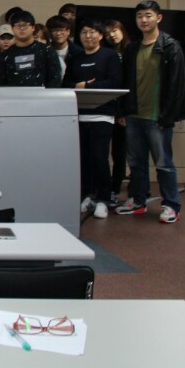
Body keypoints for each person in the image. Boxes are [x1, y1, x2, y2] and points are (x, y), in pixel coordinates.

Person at [116, 0, 185, 224]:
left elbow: (177, 85)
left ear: (158, 18)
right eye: (140, 16)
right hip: (134, 115)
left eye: (148, 15)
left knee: (164, 164)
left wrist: (169, 116)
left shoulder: (171, 46)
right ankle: (138, 201)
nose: (144, 20)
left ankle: (171, 205)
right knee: (136, 163)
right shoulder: (132, 48)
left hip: (159, 117)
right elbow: (125, 83)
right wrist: (123, 112)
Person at [63, 19, 123, 219]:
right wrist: (78, 85)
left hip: (102, 115)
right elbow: (65, 83)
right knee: (83, 159)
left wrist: (86, 86)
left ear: (100, 35)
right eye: (84, 32)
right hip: (78, 116)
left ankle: (103, 199)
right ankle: (86, 195)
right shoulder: (75, 58)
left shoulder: (109, 56)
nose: (88, 36)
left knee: (99, 158)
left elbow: (114, 82)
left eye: (92, 32)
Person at [0, 10, 62, 87]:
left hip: (42, 94)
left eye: (25, 25)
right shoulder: (5, 56)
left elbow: (55, 80)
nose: (22, 28)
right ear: (12, 29)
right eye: (17, 25)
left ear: (33, 28)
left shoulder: (47, 51)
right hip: (14, 94)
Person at [105, 18, 132, 204]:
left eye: (114, 30)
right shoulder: (105, 53)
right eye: (108, 33)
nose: (112, 35)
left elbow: (129, 84)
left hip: (124, 110)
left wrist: (122, 112)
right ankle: (104, 188)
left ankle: (115, 189)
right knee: (101, 153)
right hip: (106, 107)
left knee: (120, 154)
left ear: (122, 30)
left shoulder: (131, 51)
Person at [46, 14, 83, 81]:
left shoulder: (78, 52)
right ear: (49, 32)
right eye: (54, 30)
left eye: (61, 30)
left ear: (68, 31)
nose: (58, 34)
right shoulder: (45, 51)